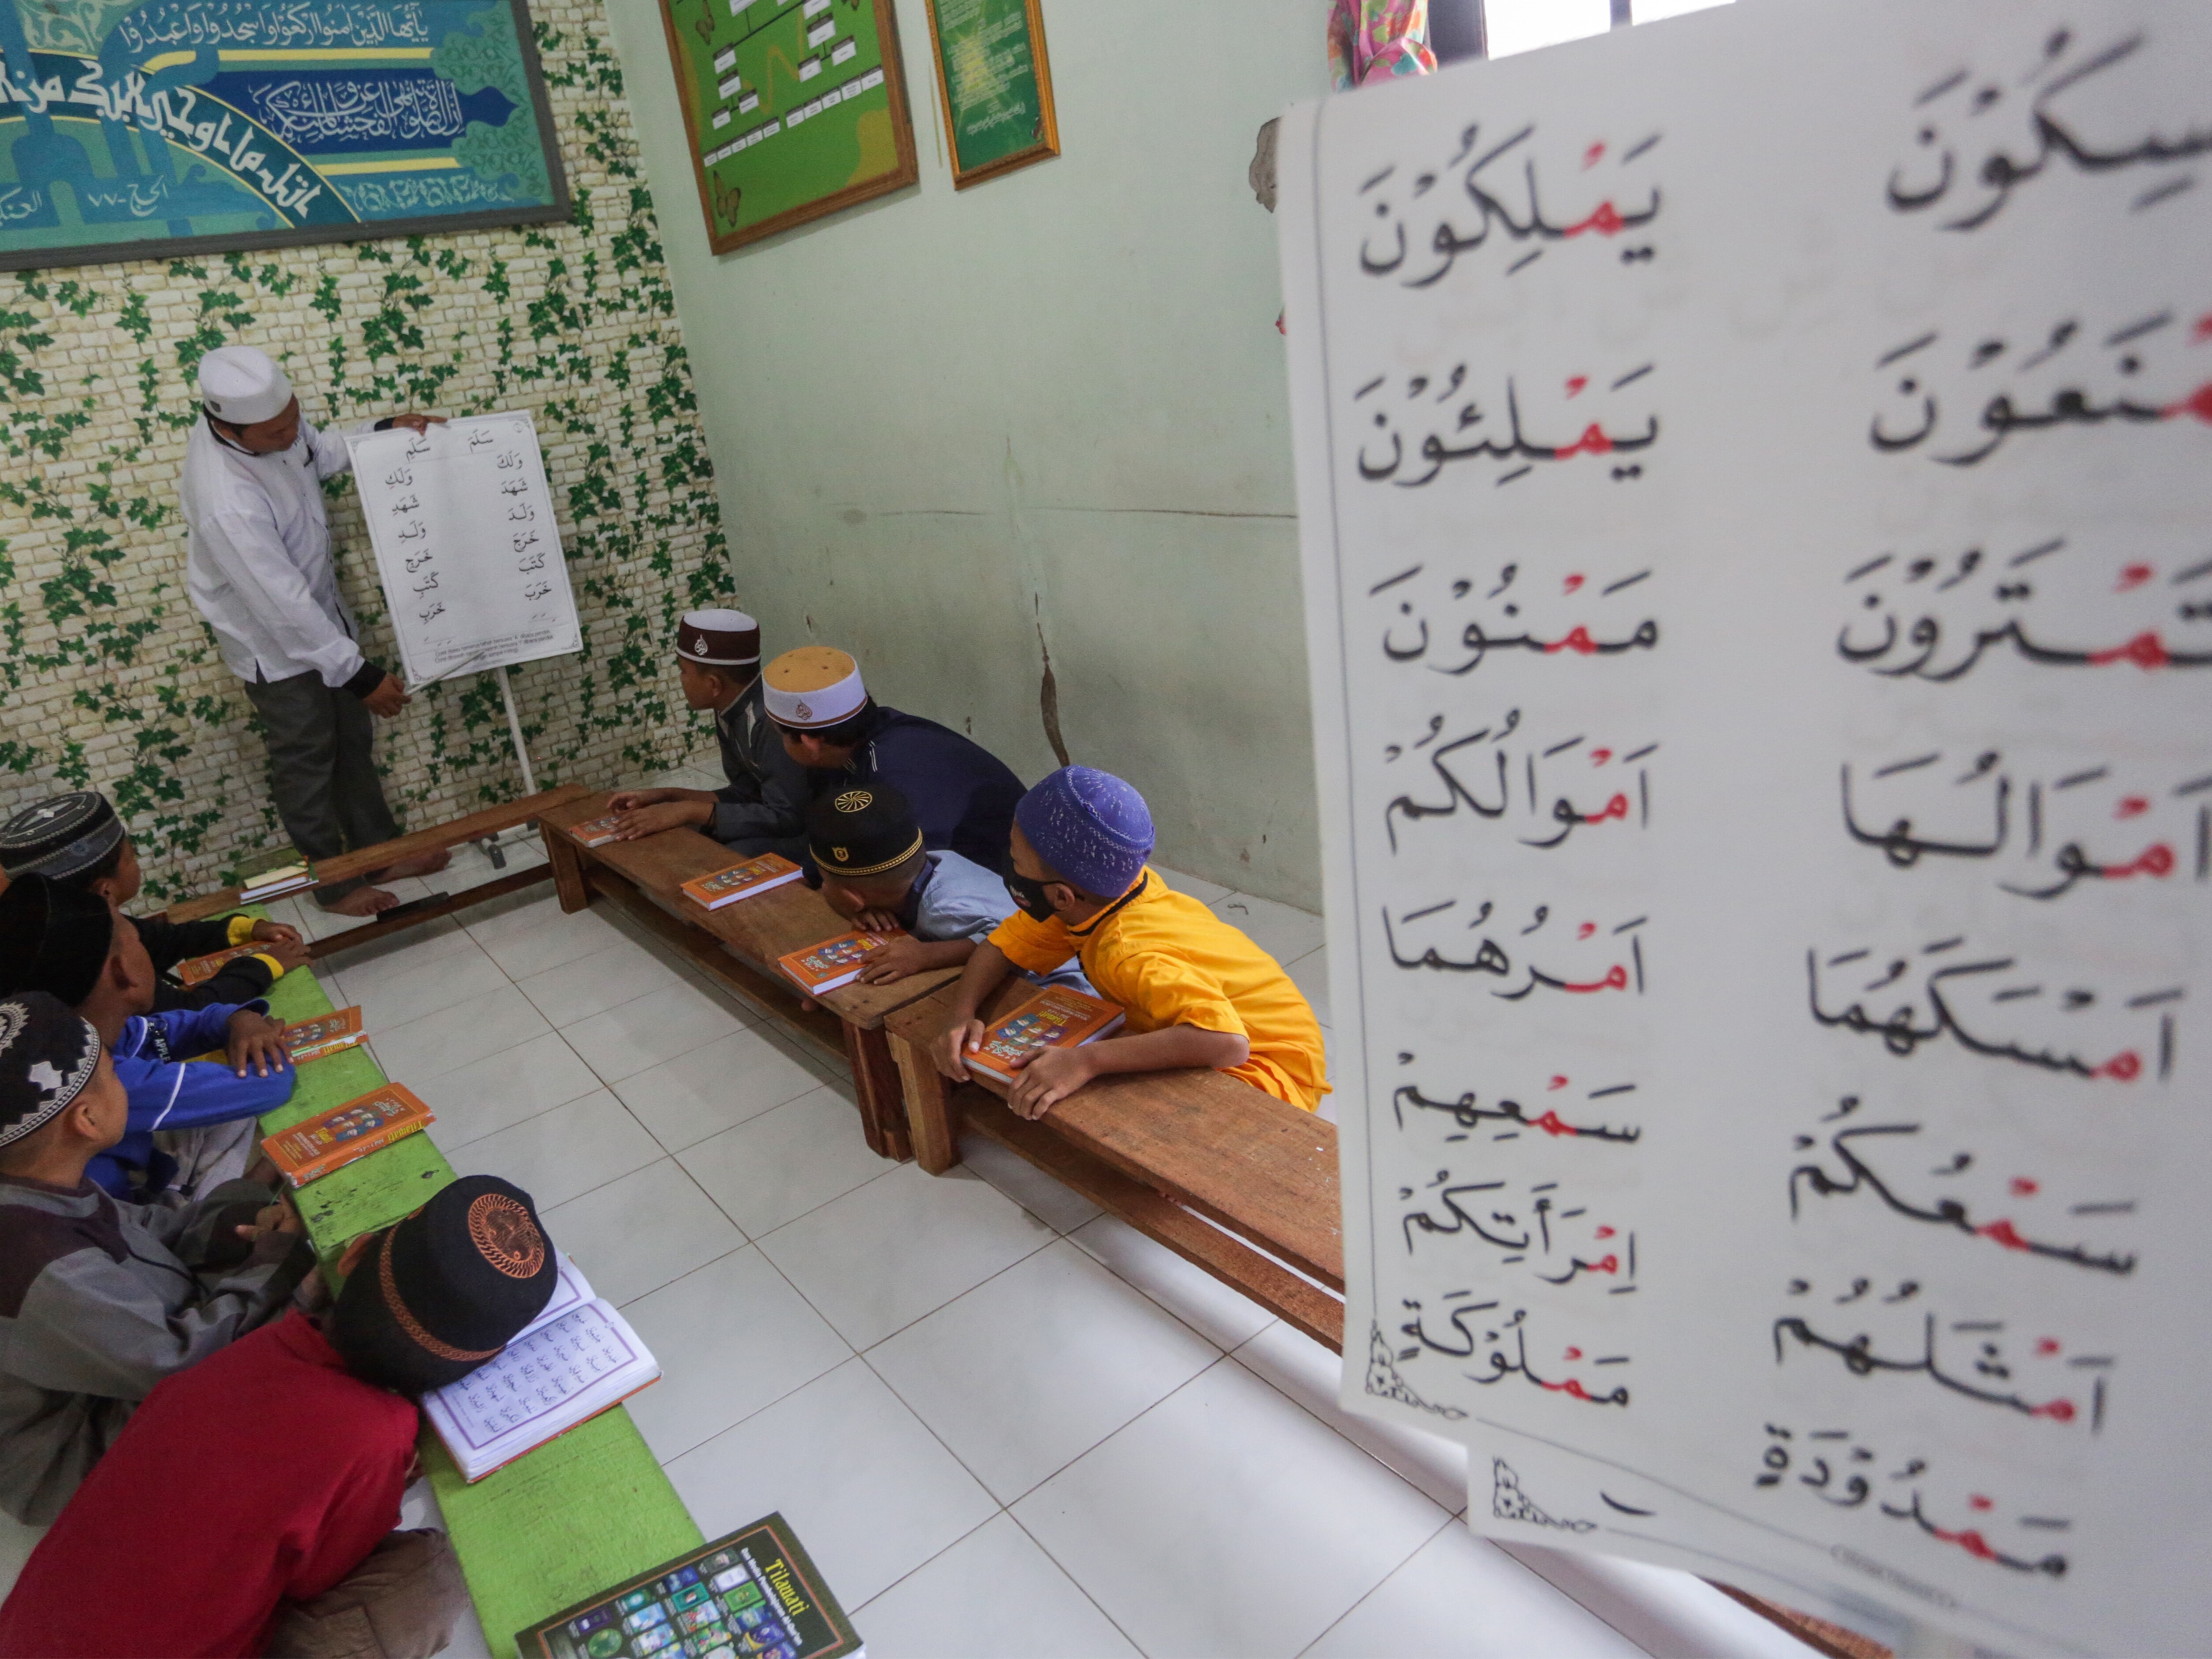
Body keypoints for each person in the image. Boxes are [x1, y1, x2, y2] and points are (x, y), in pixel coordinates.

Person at [0, 1172, 557, 1658]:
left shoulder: (257, 1347)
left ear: (353, 1255)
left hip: (25, 1633)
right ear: (484, 1363)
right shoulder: (376, 1437)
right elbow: (315, 1579)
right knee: (431, 1572)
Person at [0, 991, 314, 1527]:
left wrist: (251, 1221)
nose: (126, 1080)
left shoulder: (39, 1186)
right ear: (88, 1118)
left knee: (286, 1271)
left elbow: (153, 1229)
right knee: (312, 1332)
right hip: (82, 1456)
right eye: (114, 1074)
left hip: (133, 1357)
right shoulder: (35, 1260)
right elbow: (181, 1365)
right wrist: (275, 1256)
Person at [181, 344, 452, 919]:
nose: (290, 435)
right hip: (275, 647)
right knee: (307, 759)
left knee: (353, 742)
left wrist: (383, 431)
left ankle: (378, 856)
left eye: (292, 420)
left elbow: (320, 449)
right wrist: (360, 674)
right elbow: (280, 608)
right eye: (276, 432)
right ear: (226, 427)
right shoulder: (225, 499)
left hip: (319, 623)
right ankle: (332, 885)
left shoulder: (276, 427)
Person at [934, 766, 1328, 1120]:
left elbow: (1227, 1044)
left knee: (1132, 1113)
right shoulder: (1104, 896)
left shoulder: (1127, 951)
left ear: (1061, 895)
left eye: (1017, 861)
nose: (1010, 864)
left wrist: (1086, 1062)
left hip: (1272, 1069)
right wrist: (961, 1016)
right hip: (1224, 1025)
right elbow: (1000, 948)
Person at [0, 875, 294, 1204]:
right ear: (124, 971)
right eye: (138, 939)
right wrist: (266, 1041)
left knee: (230, 1109)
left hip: (137, 1179)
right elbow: (271, 1083)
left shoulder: (82, 1035)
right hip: (132, 1224)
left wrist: (240, 1019)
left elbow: (177, 1028)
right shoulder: (102, 1080)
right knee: (251, 1118)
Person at [0, 791, 311, 1012]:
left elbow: (166, 940)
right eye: (131, 856)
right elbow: (187, 1010)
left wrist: (247, 928)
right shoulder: (87, 958)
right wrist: (267, 963)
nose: (137, 863)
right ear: (105, 890)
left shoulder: (75, 923)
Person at [762, 646, 1025, 875]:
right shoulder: (854, 745)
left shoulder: (893, 768)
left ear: (810, 744)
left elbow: (915, 866)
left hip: (993, 884)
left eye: (779, 734)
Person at [805, 782, 1089, 992]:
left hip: (1065, 991)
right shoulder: (939, 861)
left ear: (851, 897)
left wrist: (926, 955)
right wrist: (866, 912)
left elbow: (1006, 935)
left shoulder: (945, 909)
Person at [602, 608, 809, 860]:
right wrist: (669, 797)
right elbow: (746, 793)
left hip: (816, 837)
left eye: (683, 671)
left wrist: (689, 811)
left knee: (722, 858)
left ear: (713, 685)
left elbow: (788, 818)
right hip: (784, 824)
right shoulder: (729, 707)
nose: (681, 680)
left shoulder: (770, 722)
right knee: (685, 834)